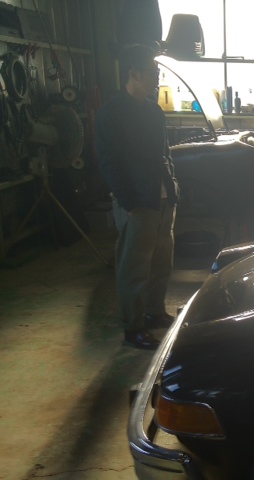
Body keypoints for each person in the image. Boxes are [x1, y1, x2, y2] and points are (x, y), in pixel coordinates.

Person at [95, 44, 179, 349]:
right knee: (134, 267)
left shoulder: (154, 111)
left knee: (161, 262)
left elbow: (164, 153)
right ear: (134, 74)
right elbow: (108, 162)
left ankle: (154, 312)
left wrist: (172, 188)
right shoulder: (111, 114)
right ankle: (133, 328)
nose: (157, 77)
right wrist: (128, 201)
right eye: (152, 72)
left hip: (161, 197)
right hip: (137, 201)